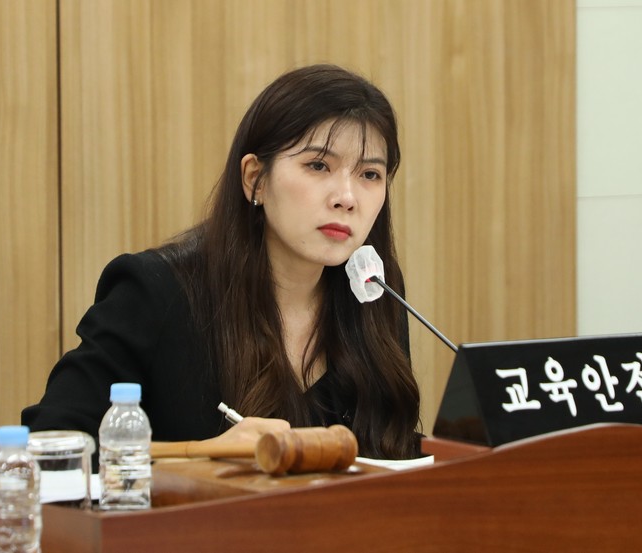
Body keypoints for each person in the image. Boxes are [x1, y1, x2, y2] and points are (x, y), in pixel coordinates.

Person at [22, 64, 421, 460]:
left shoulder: (374, 292)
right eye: (318, 165)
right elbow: (50, 446)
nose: (347, 198)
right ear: (254, 179)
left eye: (370, 174)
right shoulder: (157, 292)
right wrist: (200, 454)